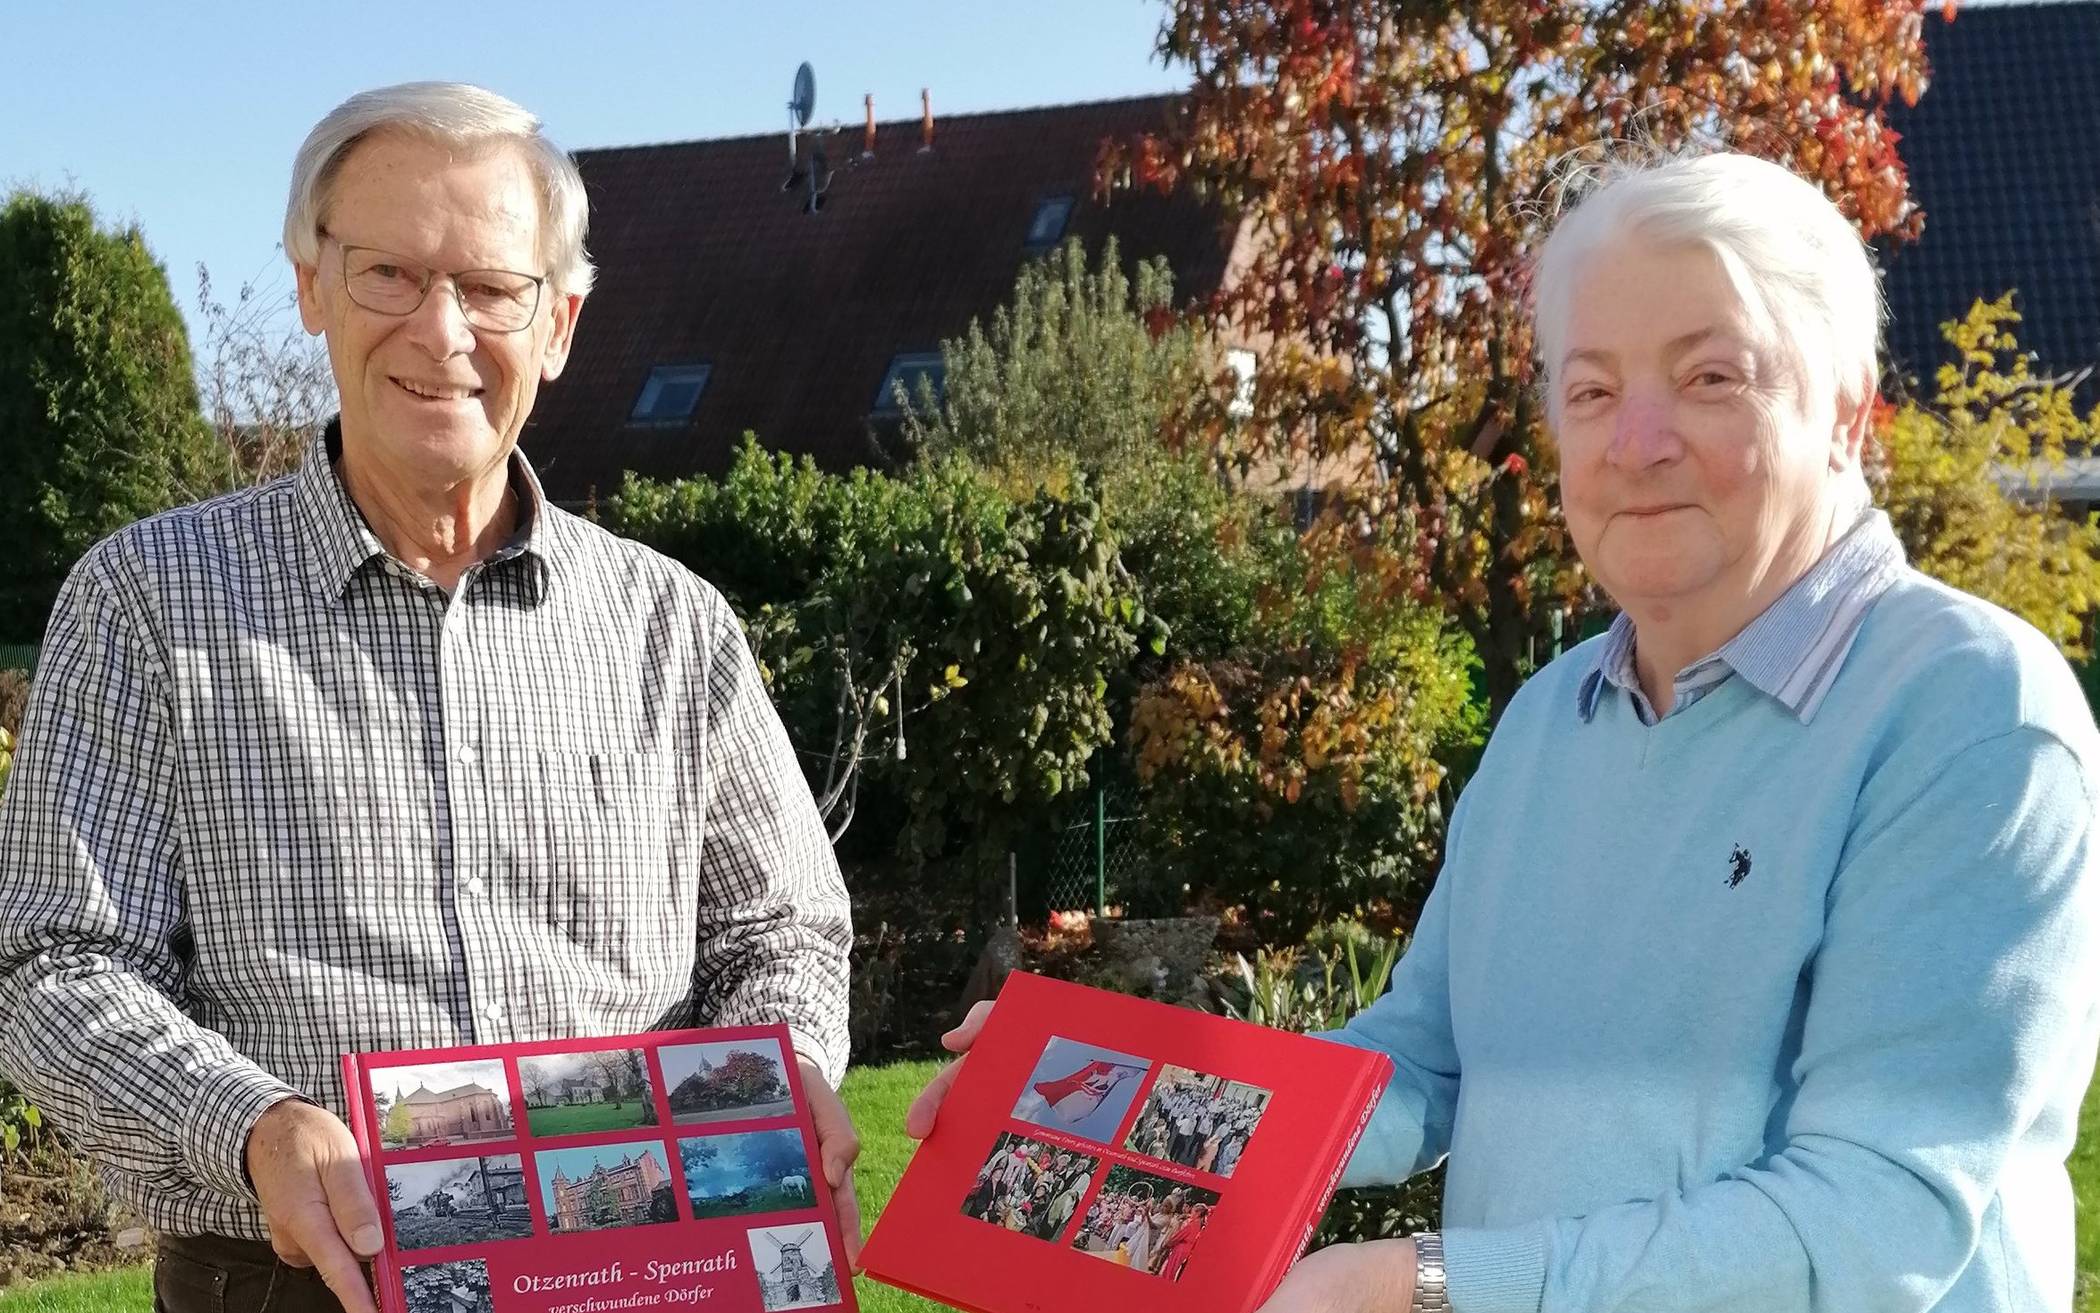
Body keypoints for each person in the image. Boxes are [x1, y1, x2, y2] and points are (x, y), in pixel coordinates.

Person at [909, 150, 2100, 1312]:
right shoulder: (1551, 719)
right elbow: (1422, 1064)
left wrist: (1425, 1286)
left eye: (1710, 377)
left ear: (1846, 407)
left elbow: (1871, 1219)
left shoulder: (1974, 715)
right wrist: (1103, 1091)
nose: (1635, 443)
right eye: (1590, 390)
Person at [0, 82, 859, 1313]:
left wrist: (787, 1075)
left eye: (493, 287)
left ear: (558, 322)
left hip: (653, 1260)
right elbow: (52, 957)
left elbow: (782, 928)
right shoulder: (148, 603)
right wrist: (254, 1126)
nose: (441, 329)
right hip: (301, 1276)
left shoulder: (677, 629)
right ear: (310, 285)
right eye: (389, 272)